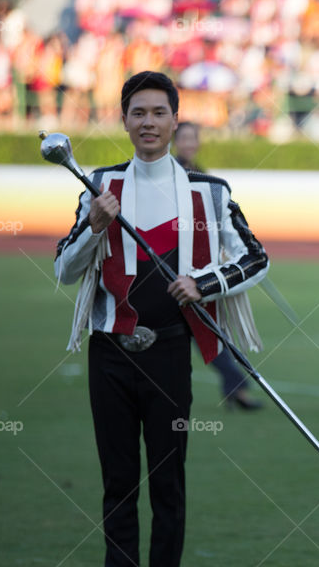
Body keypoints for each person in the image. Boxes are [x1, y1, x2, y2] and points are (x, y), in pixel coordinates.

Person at [54, 71, 269, 566]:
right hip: (109, 353)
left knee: (168, 482)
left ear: (175, 120)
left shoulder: (210, 192)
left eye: (158, 113)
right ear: (124, 121)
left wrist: (204, 285)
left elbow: (256, 258)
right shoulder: (99, 185)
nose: (148, 122)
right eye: (138, 113)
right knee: (118, 482)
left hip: (171, 353)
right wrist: (94, 226)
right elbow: (65, 270)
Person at [172, 120, 263, 410]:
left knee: (209, 331)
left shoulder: (200, 171)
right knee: (204, 332)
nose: (189, 143)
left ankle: (235, 388)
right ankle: (236, 388)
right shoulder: (170, 172)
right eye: (184, 138)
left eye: (193, 138)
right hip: (177, 267)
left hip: (199, 270)